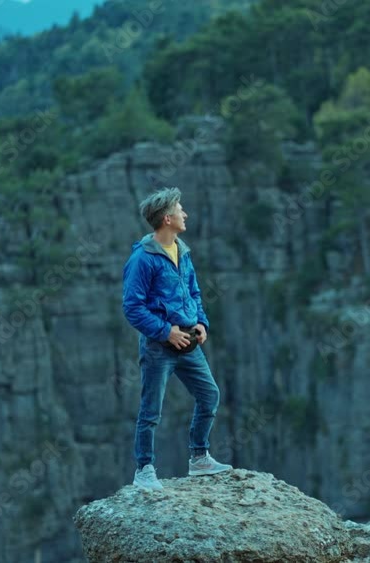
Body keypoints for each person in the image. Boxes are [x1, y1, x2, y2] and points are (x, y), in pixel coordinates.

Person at [122, 187, 233, 491]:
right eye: (180, 210)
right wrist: (165, 331)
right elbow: (132, 307)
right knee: (151, 411)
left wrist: (201, 322)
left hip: (188, 343)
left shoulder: (182, 251)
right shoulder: (142, 259)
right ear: (167, 219)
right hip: (159, 347)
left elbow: (194, 292)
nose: (186, 214)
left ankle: (199, 458)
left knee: (209, 395)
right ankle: (144, 470)